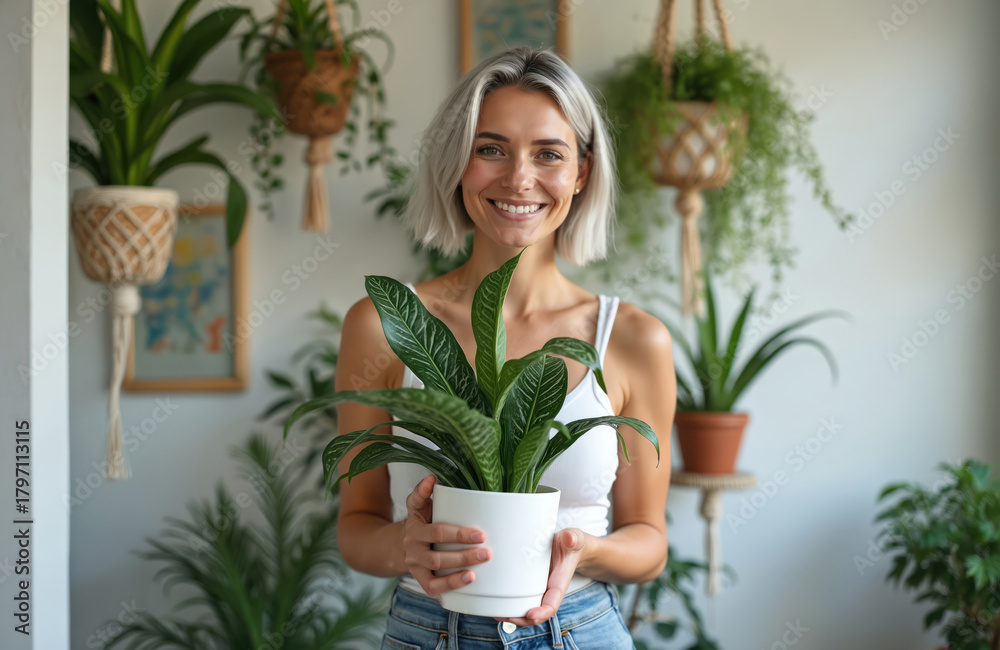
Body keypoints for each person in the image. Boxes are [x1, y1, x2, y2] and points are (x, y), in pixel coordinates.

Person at [334, 46, 675, 650]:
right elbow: (357, 528)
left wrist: (582, 550)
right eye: (490, 149)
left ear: (582, 172)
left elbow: (648, 540)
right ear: (457, 164)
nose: (519, 178)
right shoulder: (382, 325)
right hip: (429, 629)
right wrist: (405, 546)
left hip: (578, 628)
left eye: (549, 153)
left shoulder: (631, 338)